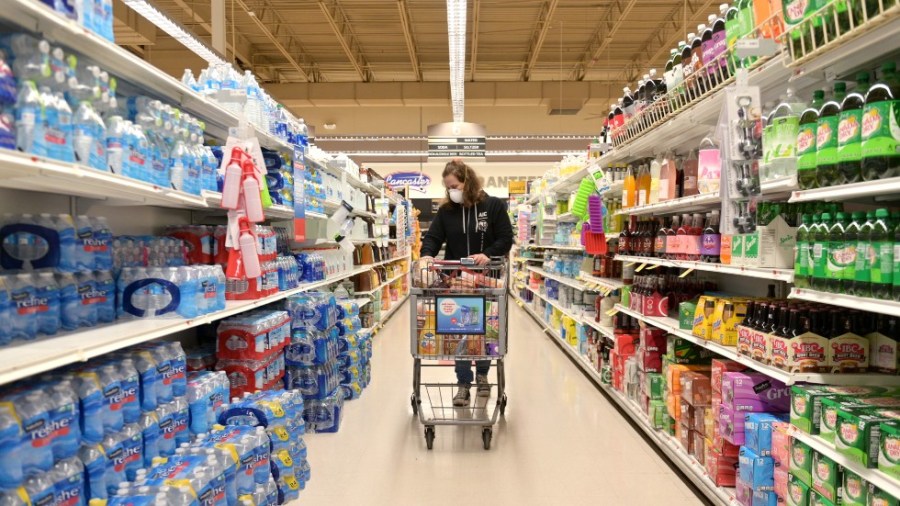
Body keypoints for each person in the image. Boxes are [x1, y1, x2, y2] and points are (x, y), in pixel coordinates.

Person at [419, 159, 514, 407]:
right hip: (458, 282)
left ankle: (482, 375)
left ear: (467, 182)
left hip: (487, 280)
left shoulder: (492, 206)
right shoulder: (447, 211)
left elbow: (506, 238)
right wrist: (427, 255)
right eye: (448, 187)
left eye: (455, 185)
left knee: (484, 330)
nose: (452, 191)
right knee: (459, 331)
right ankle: (463, 383)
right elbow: (433, 237)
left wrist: (488, 253)